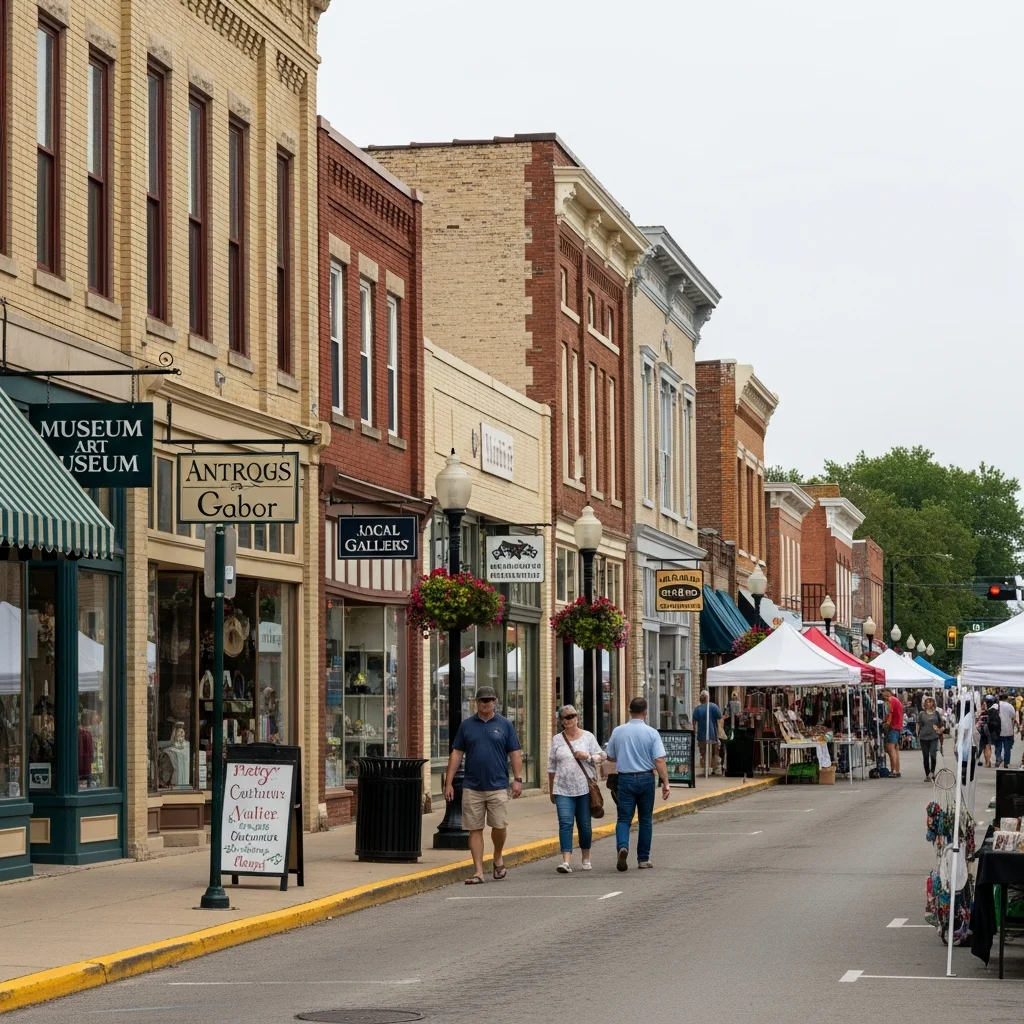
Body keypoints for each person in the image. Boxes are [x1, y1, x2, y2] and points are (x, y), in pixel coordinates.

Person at [444, 685, 524, 885]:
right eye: (481, 700)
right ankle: (478, 871)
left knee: (499, 826)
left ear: (495, 701)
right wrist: (449, 782)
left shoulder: (505, 724)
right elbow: (456, 754)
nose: (485, 703)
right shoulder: (467, 725)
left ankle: (497, 856)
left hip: (497, 785)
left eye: (489, 700)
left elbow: (514, 753)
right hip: (472, 785)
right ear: (476, 702)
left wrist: (518, 779)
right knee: (474, 828)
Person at [605, 696, 670, 871]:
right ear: (645, 712)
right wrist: (666, 782)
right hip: (646, 778)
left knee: (624, 818)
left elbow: (610, 755)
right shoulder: (651, 733)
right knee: (645, 820)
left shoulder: (618, 731)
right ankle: (643, 859)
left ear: (629, 710)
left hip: (625, 778)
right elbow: (659, 759)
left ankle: (623, 846)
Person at [546, 705, 605, 873]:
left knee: (584, 825)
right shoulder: (557, 739)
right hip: (562, 788)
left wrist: (587, 756)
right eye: (565, 717)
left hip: (584, 789)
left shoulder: (588, 737)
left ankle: (586, 857)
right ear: (561, 721)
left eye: (572, 716)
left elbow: (602, 756)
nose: (569, 719)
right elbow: (551, 766)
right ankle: (565, 861)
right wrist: (551, 790)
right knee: (565, 823)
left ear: (577, 717)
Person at [691, 690, 723, 775]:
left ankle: (706, 767)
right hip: (713, 734)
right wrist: (720, 731)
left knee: (703, 752)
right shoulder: (714, 706)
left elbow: (694, 723)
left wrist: (695, 732)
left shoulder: (697, 709)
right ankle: (713, 767)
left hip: (701, 735)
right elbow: (720, 718)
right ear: (708, 698)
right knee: (714, 752)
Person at [917, 696, 943, 781]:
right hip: (923, 737)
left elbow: (942, 725)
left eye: (930, 702)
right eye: (927, 702)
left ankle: (932, 772)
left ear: (933, 703)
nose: (928, 703)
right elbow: (918, 724)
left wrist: (940, 730)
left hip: (933, 737)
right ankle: (927, 774)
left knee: (933, 755)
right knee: (925, 756)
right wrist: (917, 734)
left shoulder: (936, 713)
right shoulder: (922, 714)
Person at [881, 688, 903, 778]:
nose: (882, 695)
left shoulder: (890, 700)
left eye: (882, 693)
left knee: (891, 749)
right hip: (898, 727)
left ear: (887, 692)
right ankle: (897, 770)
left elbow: (890, 713)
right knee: (896, 749)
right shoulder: (897, 700)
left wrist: (886, 724)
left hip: (893, 727)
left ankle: (893, 770)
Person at [996, 691, 1018, 769]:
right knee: (1007, 749)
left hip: (998, 730)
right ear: (1006, 698)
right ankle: (1006, 763)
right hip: (1008, 730)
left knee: (998, 747)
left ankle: (998, 760)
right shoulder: (1010, 706)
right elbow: (1013, 716)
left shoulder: (996, 706)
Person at [982, 694, 999, 768]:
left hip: (984, 728)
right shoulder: (995, 709)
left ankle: (987, 762)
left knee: (986, 745)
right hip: (991, 729)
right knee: (989, 745)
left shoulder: (986, 710)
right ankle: (988, 762)